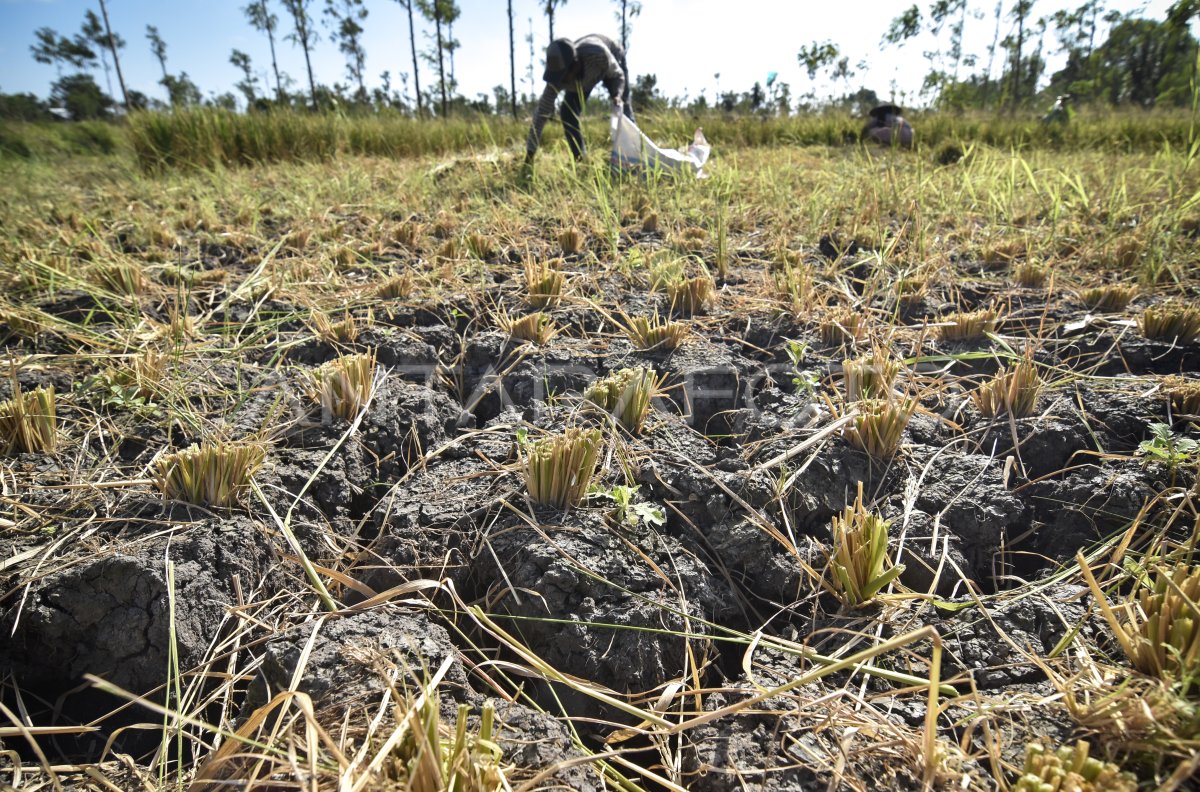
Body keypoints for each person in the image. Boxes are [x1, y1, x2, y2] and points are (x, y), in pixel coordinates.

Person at [525, 34, 634, 165]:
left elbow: (617, 75)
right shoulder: (558, 78)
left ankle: (635, 155)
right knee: (567, 114)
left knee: (622, 106)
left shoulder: (598, 55)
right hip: (583, 79)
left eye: (563, 77)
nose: (560, 82)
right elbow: (541, 114)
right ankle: (580, 161)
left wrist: (617, 94)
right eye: (557, 77)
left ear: (574, 65)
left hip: (611, 60)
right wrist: (529, 156)